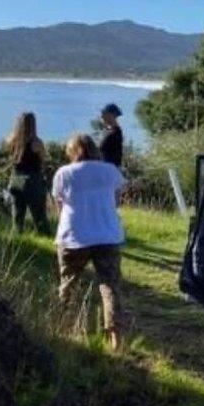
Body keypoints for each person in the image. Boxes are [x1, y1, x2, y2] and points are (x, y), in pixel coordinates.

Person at [52, 133, 127, 351]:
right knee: (110, 286)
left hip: (73, 235)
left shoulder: (63, 173)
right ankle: (116, 340)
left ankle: (66, 331)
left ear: (72, 152)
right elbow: (116, 201)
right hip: (107, 235)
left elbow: (59, 204)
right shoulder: (110, 171)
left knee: (69, 284)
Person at [5, 112, 49, 233]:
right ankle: (44, 236)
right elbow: (43, 160)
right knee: (39, 214)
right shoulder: (37, 143)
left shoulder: (12, 141)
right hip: (33, 179)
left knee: (18, 213)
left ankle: (17, 237)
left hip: (17, 178)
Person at [97, 103, 124, 168]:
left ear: (112, 115)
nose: (102, 116)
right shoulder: (107, 132)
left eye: (104, 114)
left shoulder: (115, 133)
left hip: (111, 169)